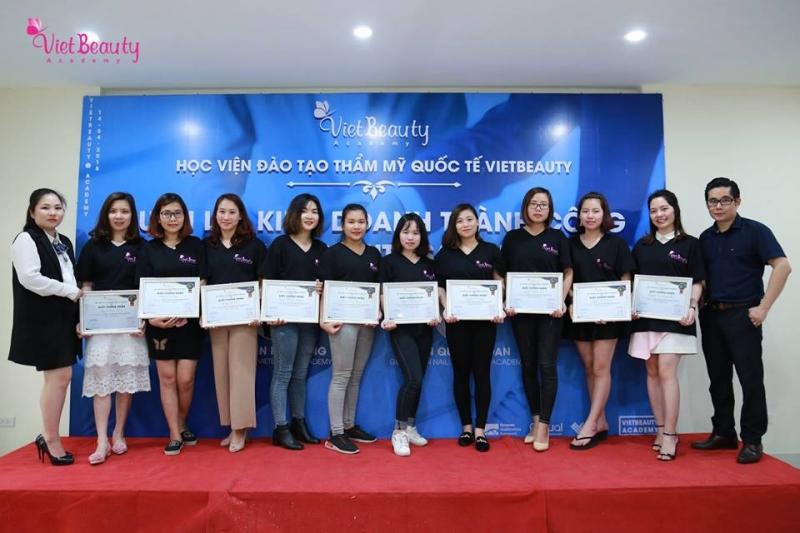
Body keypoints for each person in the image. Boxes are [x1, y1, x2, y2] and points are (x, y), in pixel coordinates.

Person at [692, 177, 791, 464]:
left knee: (750, 379)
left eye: (724, 200)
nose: (718, 206)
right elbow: (700, 279)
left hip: (744, 315)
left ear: (737, 201)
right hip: (711, 315)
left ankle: (752, 440)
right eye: (712, 201)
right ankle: (724, 432)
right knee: (718, 379)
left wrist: (764, 307)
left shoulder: (755, 232)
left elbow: (783, 266)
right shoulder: (705, 238)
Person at [628, 190, 704, 461]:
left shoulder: (691, 244)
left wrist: (692, 306)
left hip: (677, 319)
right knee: (652, 371)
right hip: (646, 319)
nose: (659, 214)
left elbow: (697, 281)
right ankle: (660, 430)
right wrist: (631, 305)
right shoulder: (642, 246)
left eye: (664, 208)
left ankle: (671, 434)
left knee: (666, 370)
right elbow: (633, 283)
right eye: (654, 210)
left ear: (675, 210)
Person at [76, 192, 150, 465]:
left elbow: (146, 289)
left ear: (132, 216)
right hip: (100, 326)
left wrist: (143, 319)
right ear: (106, 214)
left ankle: (119, 433)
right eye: (114, 211)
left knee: (125, 381)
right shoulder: (93, 246)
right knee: (102, 382)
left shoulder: (142, 247)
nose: (119, 216)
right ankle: (101, 440)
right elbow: (86, 285)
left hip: (130, 325)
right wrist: (84, 320)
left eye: (125, 211)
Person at [9, 188, 81, 466]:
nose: (53, 213)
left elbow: (71, 277)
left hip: (63, 317)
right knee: (59, 377)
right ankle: (51, 438)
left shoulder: (63, 241)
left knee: (61, 377)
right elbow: (30, 279)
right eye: (46, 207)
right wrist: (69, 291)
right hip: (43, 319)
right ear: (32, 211)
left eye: (58, 208)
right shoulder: (26, 239)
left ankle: (48, 435)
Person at [502, 187, 572, 452]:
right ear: (526, 207)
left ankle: (544, 424)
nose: (539, 208)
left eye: (544, 204)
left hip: (550, 314)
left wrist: (560, 300)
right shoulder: (513, 238)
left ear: (550, 209)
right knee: (529, 366)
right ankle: (534, 420)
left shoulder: (557, 237)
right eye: (534, 203)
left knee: (547, 365)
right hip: (521, 314)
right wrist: (508, 298)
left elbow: (568, 272)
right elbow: (501, 273)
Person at [137, 192, 207, 456]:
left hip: (189, 325)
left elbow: (203, 282)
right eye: (166, 213)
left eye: (177, 213)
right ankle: (175, 434)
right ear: (158, 217)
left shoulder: (196, 246)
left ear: (184, 216)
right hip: (159, 324)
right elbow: (142, 289)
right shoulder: (148, 249)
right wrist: (150, 318)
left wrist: (191, 310)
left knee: (185, 380)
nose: (172, 218)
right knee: (167, 379)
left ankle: (181, 422)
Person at [435, 203, 505, 452]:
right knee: (461, 374)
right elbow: (440, 287)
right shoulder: (445, 254)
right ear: (453, 225)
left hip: (486, 323)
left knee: (482, 373)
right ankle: (466, 427)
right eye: (459, 220)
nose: (465, 224)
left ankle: (481, 430)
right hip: (457, 324)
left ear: (477, 222)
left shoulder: (491, 251)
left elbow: (499, 282)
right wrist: (447, 308)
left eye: (469, 219)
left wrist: (498, 306)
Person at [567, 192, 634, 450]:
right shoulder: (571, 244)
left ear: (604, 214)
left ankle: (590, 424)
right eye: (585, 211)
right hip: (581, 315)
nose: (590, 216)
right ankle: (602, 421)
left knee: (601, 369)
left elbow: (625, 279)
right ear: (579, 215)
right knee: (589, 367)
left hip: (609, 317)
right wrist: (572, 301)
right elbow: (567, 279)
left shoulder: (616, 244)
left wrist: (615, 307)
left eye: (596, 211)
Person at [203, 194, 264, 453]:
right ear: (215, 215)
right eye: (222, 211)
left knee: (241, 372)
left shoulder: (254, 246)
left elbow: (262, 284)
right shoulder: (207, 245)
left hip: (245, 320)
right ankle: (233, 426)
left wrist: (259, 311)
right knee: (222, 373)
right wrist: (204, 312)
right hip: (216, 320)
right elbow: (202, 282)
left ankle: (241, 428)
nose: (226, 217)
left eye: (231, 212)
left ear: (240, 216)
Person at [265, 193, 326, 450]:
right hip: (284, 322)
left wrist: (322, 288)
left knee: (300, 374)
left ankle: (298, 422)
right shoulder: (280, 245)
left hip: (309, 322)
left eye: (315, 211)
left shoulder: (321, 249)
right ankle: (281, 427)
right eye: (305, 210)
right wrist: (270, 314)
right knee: (283, 373)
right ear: (294, 214)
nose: (310, 215)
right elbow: (266, 282)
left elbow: (327, 286)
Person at [319, 203, 381, 454]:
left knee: (356, 376)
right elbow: (323, 290)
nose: (356, 226)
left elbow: (379, 290)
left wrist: (378, 311)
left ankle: (349, 425)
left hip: (367, 323)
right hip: (342, 322)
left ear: (367, 224)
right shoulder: (332, 254)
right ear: (342, 225)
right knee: (342, 375)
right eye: (351, 222)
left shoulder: (374, 254)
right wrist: (323, 319)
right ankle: (336, 433)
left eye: (361, 222)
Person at [380, 213, 439, 457]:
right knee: (412, 379)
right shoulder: (389, 262)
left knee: (419, 379)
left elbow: (435, 295)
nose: (410, 237)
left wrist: (436, 313)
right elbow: (383, 293)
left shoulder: (430, 264)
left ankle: (411, 427)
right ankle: (399, 431)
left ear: (422, 236)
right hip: (400, 330)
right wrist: (387, 315)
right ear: (398, 235)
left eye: (415, 233)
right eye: (406, 232)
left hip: (425, 329)